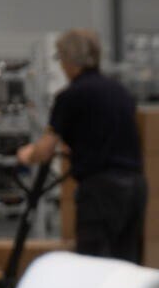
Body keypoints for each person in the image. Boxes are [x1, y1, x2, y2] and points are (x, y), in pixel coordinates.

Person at [18, 28, 147, 263]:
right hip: (135, 187)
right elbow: (107, 132)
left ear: (70, 59)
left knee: (93, 262)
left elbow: (46, 148)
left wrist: (28, 154)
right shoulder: (119, 91)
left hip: (101, 191)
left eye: (60, 58)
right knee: (126, 262)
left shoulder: (71, 96)